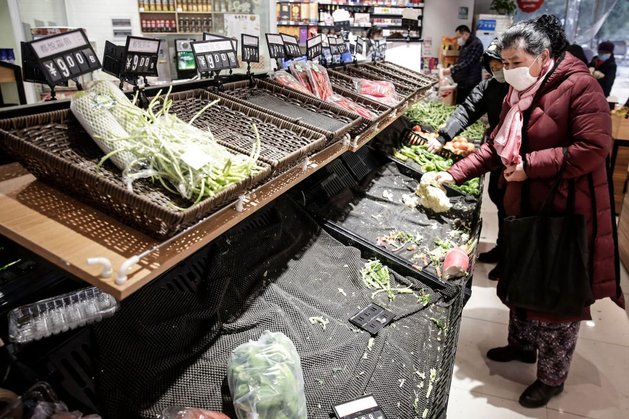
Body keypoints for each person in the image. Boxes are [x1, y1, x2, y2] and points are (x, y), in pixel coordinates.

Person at [436, 15, 625, 408]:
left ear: (544, 56)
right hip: (525, 207)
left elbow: (593, 148)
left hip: (567, 211)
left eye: (516, 61)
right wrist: (453, 174)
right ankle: (520, 345)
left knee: (556, 293)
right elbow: (495, 145)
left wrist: (530, 166)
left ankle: (552, 377)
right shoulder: (517, 92)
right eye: (504, 63)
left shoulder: (581, 87)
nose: (509, 71)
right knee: (523, 276)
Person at [422, 39, 510, 279]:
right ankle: (502, 248)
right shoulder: (489, 87)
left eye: (501, 64)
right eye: (493, 65)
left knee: (513, 208)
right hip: (496, 152)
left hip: (516, 157)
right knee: (500, 200)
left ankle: (510, 261)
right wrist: (442, 136)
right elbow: (467, 110)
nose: (497, 70)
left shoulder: (520, 91)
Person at [442, 25, 484, 105]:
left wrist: (452, 69)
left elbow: (468, 62)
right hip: (462, 81)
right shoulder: (466, 44)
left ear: (465, 34)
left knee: (466, 104)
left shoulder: (476, 44)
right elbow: (461, 60)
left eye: (459, 37)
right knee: (458, 103)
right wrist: (453, 68)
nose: (458, 39)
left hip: (470, 82)